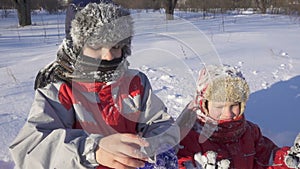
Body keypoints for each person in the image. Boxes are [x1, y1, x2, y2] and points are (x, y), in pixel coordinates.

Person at [9, 2, 179, 169]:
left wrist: (158, 147)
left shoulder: (136, 83)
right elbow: (30, 150)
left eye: (116, 46)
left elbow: (161, 123)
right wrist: (93, 151)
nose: (108, 56)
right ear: (76, 47)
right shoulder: (59, 90)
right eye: (96, 45)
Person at [176, 64, 300, 169]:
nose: (228, 113)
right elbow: (177, 163)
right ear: (203, 105)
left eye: (234, 105)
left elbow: (266, 158)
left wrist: (286, 159)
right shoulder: (187, 136)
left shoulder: (249, 132)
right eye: (219, 107)